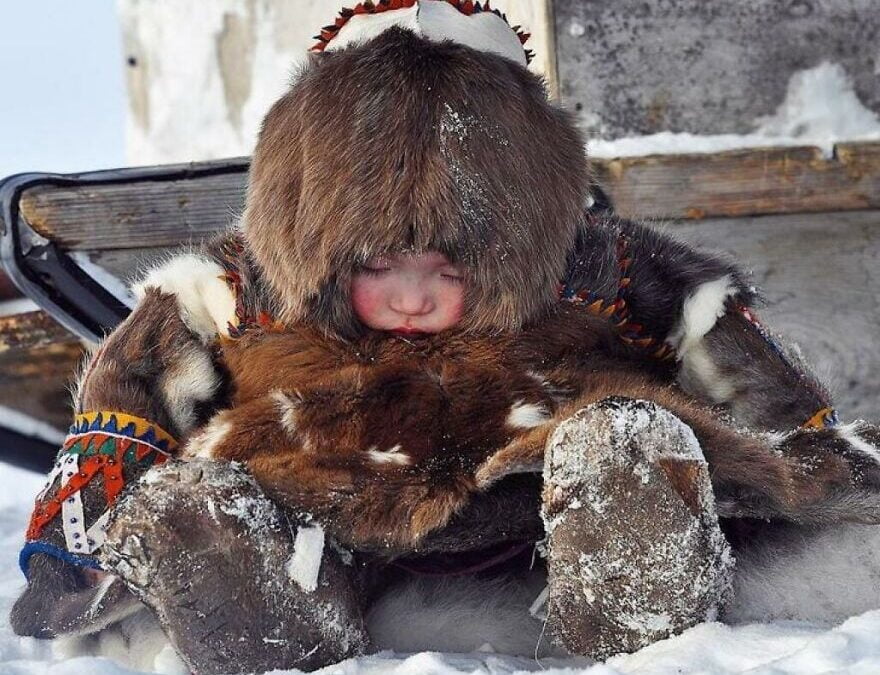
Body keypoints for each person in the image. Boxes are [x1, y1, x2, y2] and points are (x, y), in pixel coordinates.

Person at [12, 4, 880, 673]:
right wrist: (68, 549)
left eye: (451, 267)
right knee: (199, 506)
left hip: (546, 491)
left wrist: (813, 450)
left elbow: (721, 340)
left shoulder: (595, 270)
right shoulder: (240, 288)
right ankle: (265, 611)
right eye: (382, 265)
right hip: (332, 516)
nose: (416, 296)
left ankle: (642, 621)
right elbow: (128, 392)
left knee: (629, 440)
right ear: (313, 238)